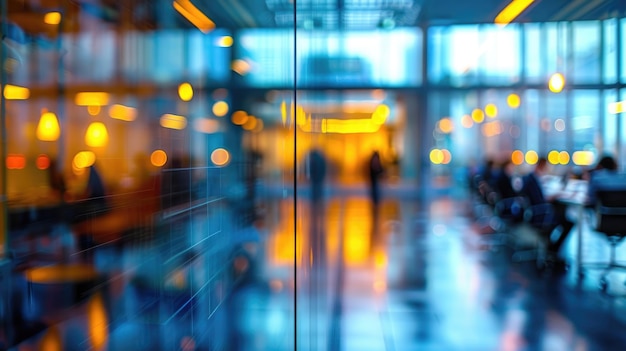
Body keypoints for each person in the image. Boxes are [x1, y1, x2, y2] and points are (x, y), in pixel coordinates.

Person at [522, 157, 574, 258]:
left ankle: (551, 248)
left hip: (535, 212)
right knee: (568, 222)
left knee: (562, 215)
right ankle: (553, 249)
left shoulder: (531, 177)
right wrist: (556, 195)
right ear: (542, 166)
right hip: (540, 214)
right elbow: (541, 201)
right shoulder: (533, 180)